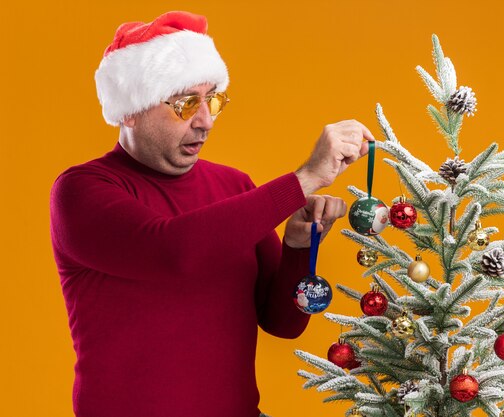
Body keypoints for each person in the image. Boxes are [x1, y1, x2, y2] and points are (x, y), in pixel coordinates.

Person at [50, 10, 375, 417]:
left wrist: (295, 246)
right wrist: (304, 180)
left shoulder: (234, 186)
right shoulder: (82, 191)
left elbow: (283, 323)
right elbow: (174, 251)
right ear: (131, 109)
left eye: (213, 100)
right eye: (186, 103)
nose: (205, 122)